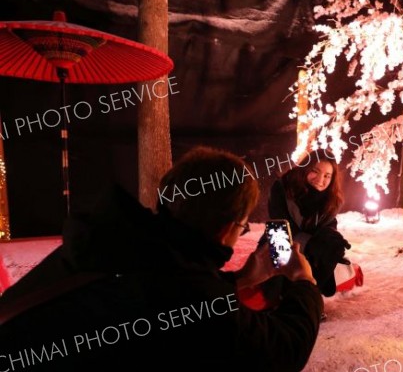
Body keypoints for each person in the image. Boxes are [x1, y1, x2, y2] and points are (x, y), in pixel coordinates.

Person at [0, 145, 323, 372]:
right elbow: (279, 352)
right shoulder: (190, 296)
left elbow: (157, 288)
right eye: (242, 226)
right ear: (226, 228)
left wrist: (239, 280)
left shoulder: (110, 242)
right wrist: (304, 283)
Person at [251, 149, 355, 314]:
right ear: (305, 169)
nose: (320, 180)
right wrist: (311, 242)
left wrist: (331, 239)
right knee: (283, 252)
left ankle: (309, 298)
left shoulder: (331, 199)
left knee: (329, 247)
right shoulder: (283, 188)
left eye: (327, 176)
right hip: (280, 240)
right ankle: (278, 301)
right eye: (315, 171)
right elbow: (281, 225)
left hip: (309, 246)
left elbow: (329, 224)